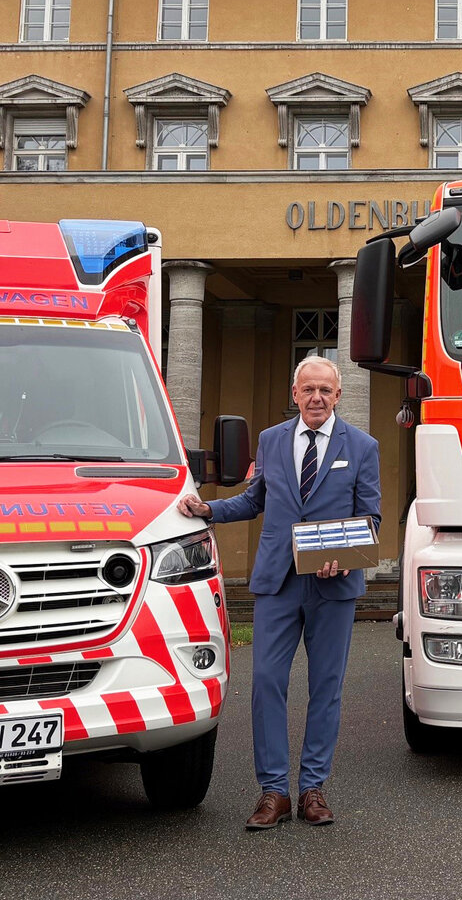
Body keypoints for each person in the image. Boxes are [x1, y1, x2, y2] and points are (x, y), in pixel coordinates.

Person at [180, 354, 380, 831]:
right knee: (266, 683)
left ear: (338, 395)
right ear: (294, 395)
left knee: (325, 688)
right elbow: (255, 499)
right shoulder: (271, 441)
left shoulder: (364, 446)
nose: (316, 398)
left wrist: (343, 553)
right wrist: (208, 508)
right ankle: (273, 792)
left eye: (325, 391)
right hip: (278, 581)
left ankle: (312, 788)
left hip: (333, 583)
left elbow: (370, 517)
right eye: (307, 390)